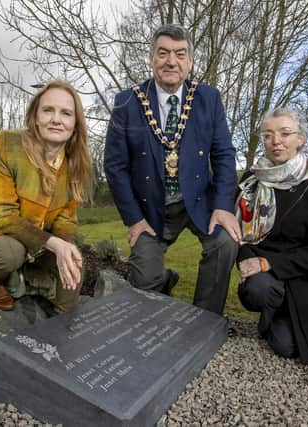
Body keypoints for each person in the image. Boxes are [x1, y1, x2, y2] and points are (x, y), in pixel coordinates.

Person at [103, 24, 240, 315]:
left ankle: (204, 317)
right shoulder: (126, 102)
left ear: (190, 62)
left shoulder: (208, 98)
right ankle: (163, 279)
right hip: (150, 208)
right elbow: (114, 167)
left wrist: (224, 206)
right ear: (152, 57)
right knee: (144, 287)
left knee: (225, 242)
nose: (171, 61)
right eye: (163, 53)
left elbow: (225, 154)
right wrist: (134, 220)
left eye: (180, 54)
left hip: (198, 201)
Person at [0, 80, 93, 314]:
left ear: (75, 124)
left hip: (38, 240)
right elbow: (2, 216)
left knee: (74, 265)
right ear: (35, 116)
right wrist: (55, 244)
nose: (56, 119)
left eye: (66, 113)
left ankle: (62, 323)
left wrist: (65, 249)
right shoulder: (6, 145)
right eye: (48, 110)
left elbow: (66, 220)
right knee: (9, 254)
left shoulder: (75, 162)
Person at [235, 107, 308, 364]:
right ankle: (272, 309)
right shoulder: (251, 181)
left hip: (303, 278)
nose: (275, 141)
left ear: (300, 139)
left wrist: (268, 263)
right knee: (257, 289)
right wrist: (247, 260)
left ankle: (286, 316)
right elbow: (241, 232)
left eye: (285, 133)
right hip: (265, 279)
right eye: (268, 135)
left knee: (288, 347)